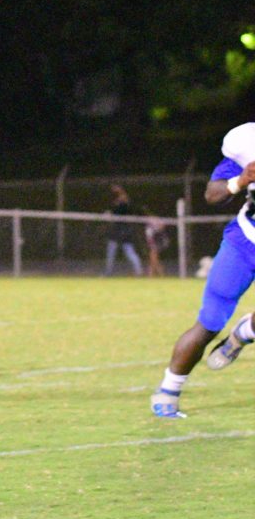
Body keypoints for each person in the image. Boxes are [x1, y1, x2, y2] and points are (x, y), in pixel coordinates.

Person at [150, 122, 255, 418]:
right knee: (209, 322)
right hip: (245, 241)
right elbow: (213, 194)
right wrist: (241, 180)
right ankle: (168, 391)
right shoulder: (246, 140)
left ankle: (244, 332)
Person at [103, 184, 143, 276]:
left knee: (114, 251)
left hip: (121, 230)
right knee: (125, 251)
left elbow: (123, 199)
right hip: (123, 230)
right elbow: (112, 212)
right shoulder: (118, 205)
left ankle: (108, 272)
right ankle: (138, 271)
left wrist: (120, 190)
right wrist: (109, 214)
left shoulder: (124, 205)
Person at [142, 210, 170, 277]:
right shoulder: (148, 227)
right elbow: (148, 237)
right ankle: (157, 274)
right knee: (153, 258)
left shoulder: (158, 225)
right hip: (153, 242)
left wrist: (156, 225)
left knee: (153, 257)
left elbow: (162, 228)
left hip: (159, 242)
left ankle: (151, 274)